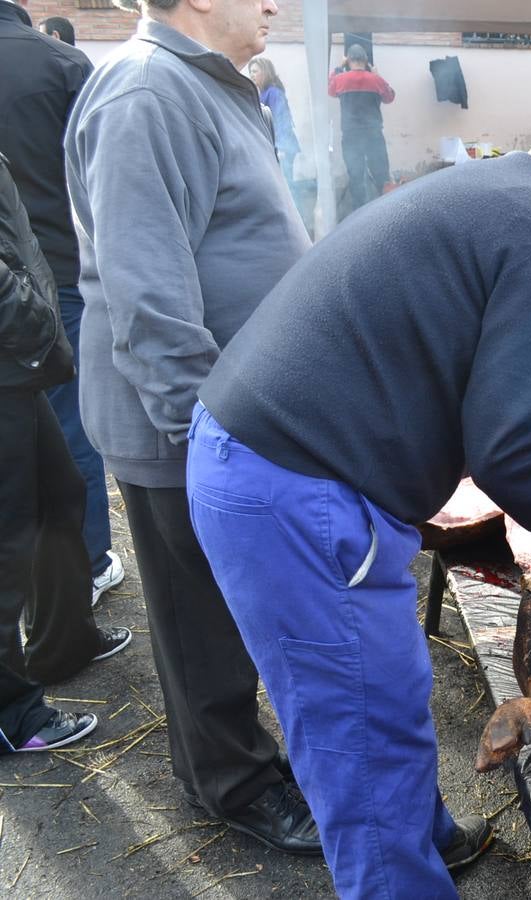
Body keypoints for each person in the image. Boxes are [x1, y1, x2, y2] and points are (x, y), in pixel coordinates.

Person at [185, 118, 531, 898]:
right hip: (299, 492)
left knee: (383, 683)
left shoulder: (491, 187)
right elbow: (510, 451)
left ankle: (422, 834)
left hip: (259, 455)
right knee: (359, 736)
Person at [65, 0, 321, 855]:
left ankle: (246, 759)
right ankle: (230, 782)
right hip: (183, 428)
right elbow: (148, 295)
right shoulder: (145, 94)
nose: (275, 5)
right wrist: (206, 437)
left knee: (230, 603)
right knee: (198, 615)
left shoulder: (209, 87)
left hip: (234, 413)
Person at [0, 0, 124, 606]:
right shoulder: (61, 63)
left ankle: (27, 583)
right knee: (69, 424)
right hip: (54, 274)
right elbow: (102, 170)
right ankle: (89, 561)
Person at [1, 150, 130, 687]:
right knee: (8, 536)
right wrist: (28, 315)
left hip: (19, 360)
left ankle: (64, 644)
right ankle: (12, 712)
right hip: (11, 350)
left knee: (60, 494)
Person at [328, 42, 395, 213]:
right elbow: (390, 97)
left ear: (348, 60)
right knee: (382, 176)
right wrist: (377, 75)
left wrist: (339, 66)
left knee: (356, 177)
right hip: (373, 135)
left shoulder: (340, 79)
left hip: (351, 136)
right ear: (366, 61)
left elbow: (330, 90)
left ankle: (360, 214)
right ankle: (388, 214)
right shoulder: (376, 80)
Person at [248, 56, 302, 210]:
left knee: (287, 188)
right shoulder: (262, 94)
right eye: (251, 72)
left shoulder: (274, 93)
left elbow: (282, 121)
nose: (252, 75)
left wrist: (281, 148)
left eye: (255, 71)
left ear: (264, 73)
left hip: (282, 149)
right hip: (273, 148)